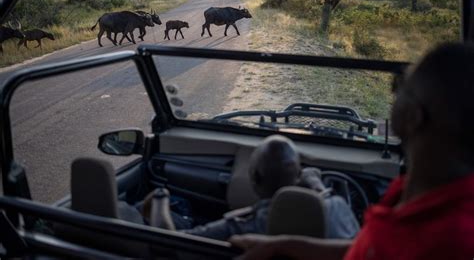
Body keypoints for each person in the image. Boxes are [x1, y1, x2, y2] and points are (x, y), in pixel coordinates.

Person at [230, 42, 474, 260]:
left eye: (399, 85)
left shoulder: (451, 241)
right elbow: (374, 250)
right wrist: (284, 246)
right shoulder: (422, 192)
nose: (394, 95)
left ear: (412, 116)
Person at [142, 134, 359, 241]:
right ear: (298, 176)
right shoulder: (339, 208)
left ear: (254, 178)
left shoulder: (244, 227)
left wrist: (160, 198)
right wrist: (317, 185)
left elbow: (170, 244)